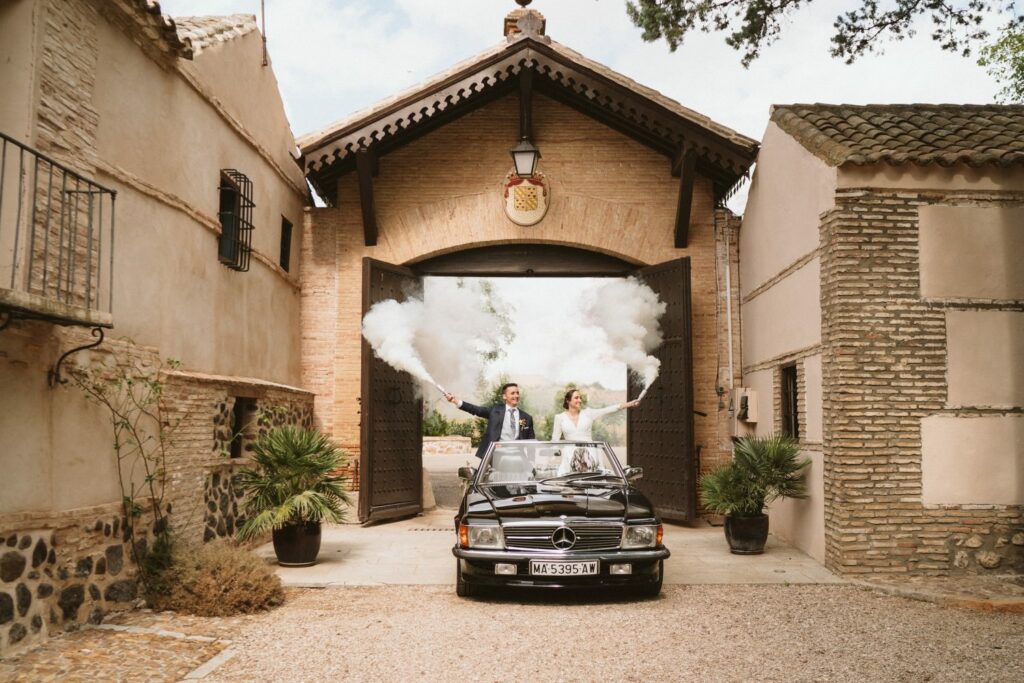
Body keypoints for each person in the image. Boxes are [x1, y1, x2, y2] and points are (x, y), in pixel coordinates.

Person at [445, 382, 535, 460]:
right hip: (497, 455)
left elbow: (532, 443)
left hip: (518, 457)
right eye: (512, 393)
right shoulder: (495, 411)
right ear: (504, 396)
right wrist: (455, 401)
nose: (516, 396)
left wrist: (532, 462)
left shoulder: (527, 417)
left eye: (517, 393)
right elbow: (476, 410)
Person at [551, 388, 638, 442]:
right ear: (568, 400)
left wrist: (630, 404)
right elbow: (555, 441)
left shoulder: (588, 413)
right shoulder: (559, 418)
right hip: (569, 457)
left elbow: (608, 409)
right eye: (576, 398)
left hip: (589, 454)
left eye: (580, 398)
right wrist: (550, 458)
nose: (580, 400)